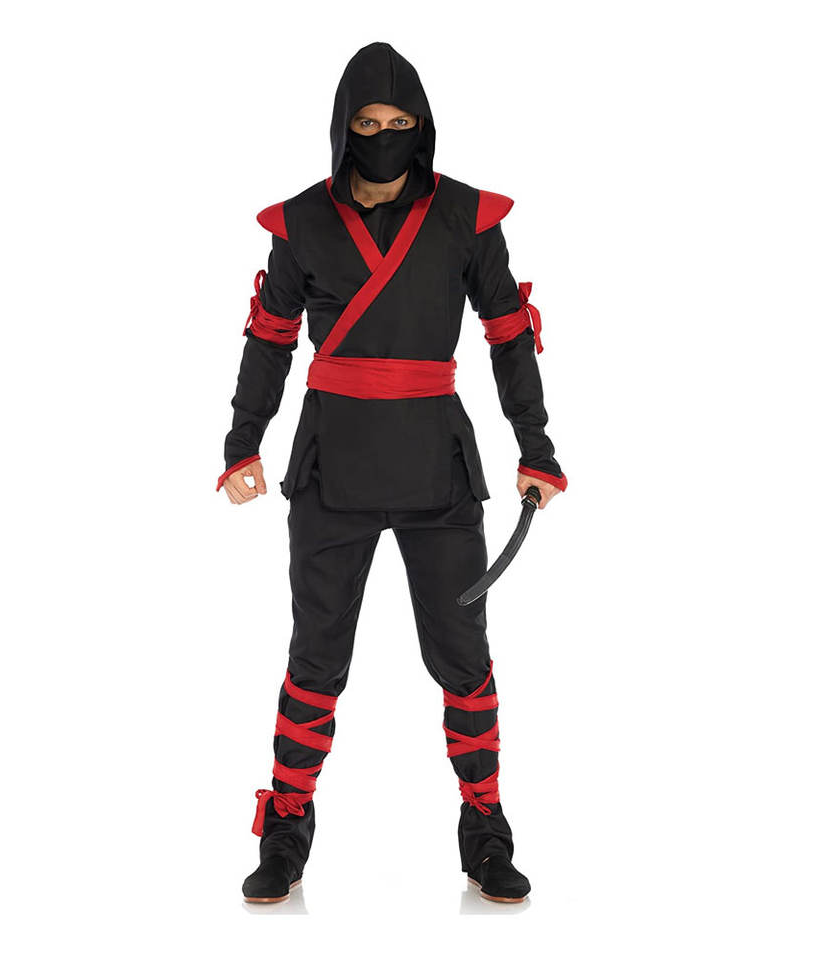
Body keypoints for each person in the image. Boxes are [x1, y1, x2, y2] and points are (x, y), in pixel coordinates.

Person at [217, 41, 567, 904]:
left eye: (398, 122)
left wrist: (536, 445)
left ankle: (484, 825)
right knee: (315, 656)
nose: (383, 135)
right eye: (368, 123)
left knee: (464, 656)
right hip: (330, 466)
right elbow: (269, 337)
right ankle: (286, 825)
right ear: (344, 128)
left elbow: (508, 331)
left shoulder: (465, 217)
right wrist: (242, 442)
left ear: (422, 126)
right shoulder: (303, 222)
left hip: (437, 469)